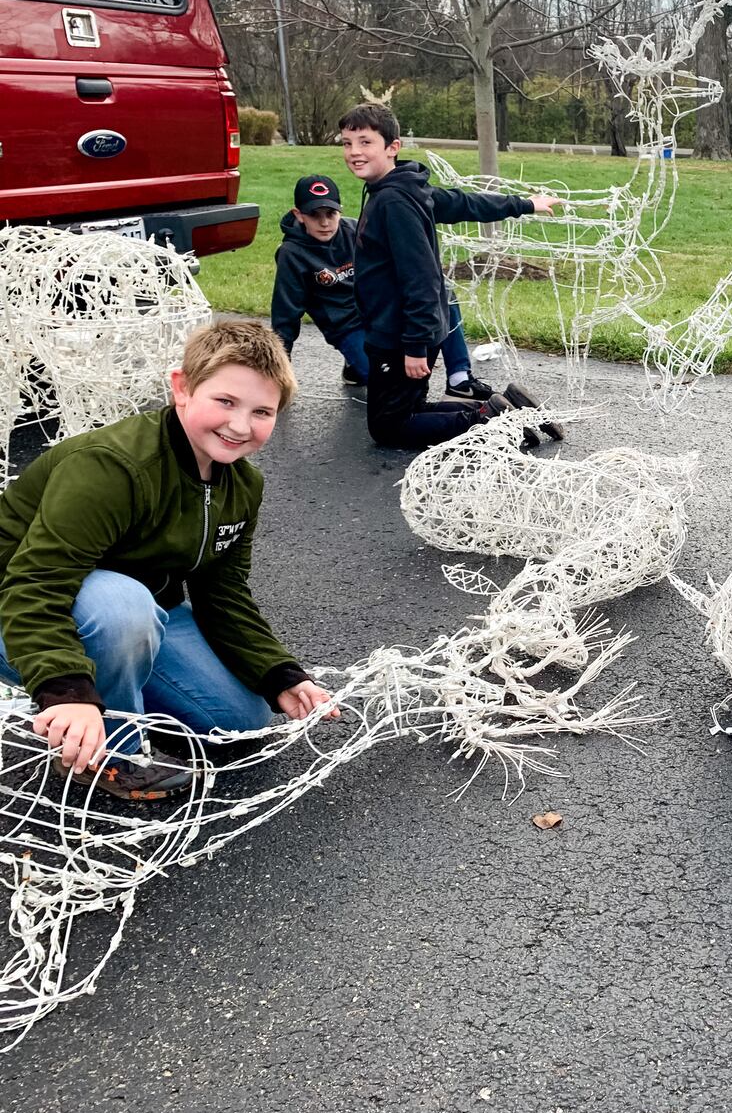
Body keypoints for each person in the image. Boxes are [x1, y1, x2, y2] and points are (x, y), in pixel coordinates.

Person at [0, 321, 339, 801]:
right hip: (18, 606)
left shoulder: (241, 486)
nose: (240, 425)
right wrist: (68, 693)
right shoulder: (111, 467)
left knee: (239, 722)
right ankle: (109, 758)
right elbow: (36, 583)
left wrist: (278, 672)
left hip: (135, 616)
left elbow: (223, 592)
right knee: (121, 604)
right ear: (182, 387)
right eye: (225, 402)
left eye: (262, 411)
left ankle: (119, 698)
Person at [338, 101, 559, 450]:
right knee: (408, 411)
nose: (354, 152)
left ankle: (489, 421)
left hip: (400, 335)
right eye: (347, 143)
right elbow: (464, 204)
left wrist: (414, 346)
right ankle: (506, 410)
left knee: (389, 429)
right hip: (403, 329)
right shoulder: (403, 188)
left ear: (392, 147)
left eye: (365, 142)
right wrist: (523, 203)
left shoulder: (394, 201)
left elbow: (421, 276)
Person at [270, 173, 496, 399]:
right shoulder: (292, 254)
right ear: (298, 215)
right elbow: (286, 314)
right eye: (314, 215)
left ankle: (459, 378)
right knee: (396, 392)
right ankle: (356, 361)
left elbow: (394, 268)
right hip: (347, 326)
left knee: (443, 293)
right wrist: (277, 374)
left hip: (380, 313)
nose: (324, 222)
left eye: (330, 213)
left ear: (340, 210)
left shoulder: (356, 230)